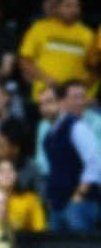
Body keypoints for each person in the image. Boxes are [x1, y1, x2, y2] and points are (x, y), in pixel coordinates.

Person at [43, 80, 101, 232]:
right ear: (62, 101)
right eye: (75, 97)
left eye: (82, 97)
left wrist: (79, 194)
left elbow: (94, 163)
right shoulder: (51, 133)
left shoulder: (78, 127)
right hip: (58, 203)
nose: (81, 102)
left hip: (79, 205)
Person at [19, 0, 95, 102]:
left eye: (77, 6)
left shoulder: (88, 35)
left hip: (76, 99)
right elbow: (25, 60)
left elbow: (95, 68)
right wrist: (45, 79)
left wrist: (87, 90)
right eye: (68, 5)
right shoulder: (40, 28)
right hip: (46, 96)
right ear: (57, 7)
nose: (73, 9)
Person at [0, 159, 45, 232]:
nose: (6, 174)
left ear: (16, 175)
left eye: (10, 170)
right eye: (1, 171)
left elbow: (40, 230)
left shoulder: (30, 199)